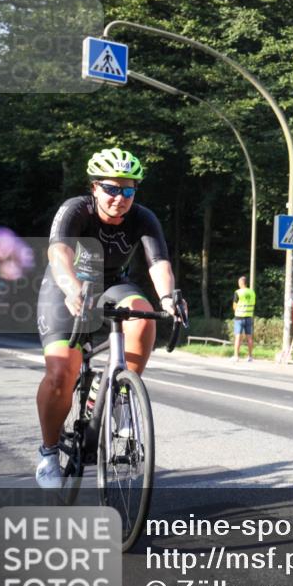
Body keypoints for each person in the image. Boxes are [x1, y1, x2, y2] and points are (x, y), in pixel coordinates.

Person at [35, 148, 186, 488]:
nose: (120, 197)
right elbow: (59, 253)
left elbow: (158, 262)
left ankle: (118, 396)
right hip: (66, 286)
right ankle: (47, 453)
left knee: (144, 316)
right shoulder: (75, 210)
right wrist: (72, 288)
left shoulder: (143, 218)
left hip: (112, 285)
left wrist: (167, 298)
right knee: (61, 373)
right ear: (94, 188)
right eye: (111, 188)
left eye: (128, 190)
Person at [232, 275, 255, 362]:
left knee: (238, 337)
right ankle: (250, 357)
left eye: (239, 282)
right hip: (249, 317)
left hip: (239, 317)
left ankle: (236, 356)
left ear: (241, 283)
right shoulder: (252, 292)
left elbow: (234, 306)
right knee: (249, 337)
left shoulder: (238, 292)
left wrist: (237, 311)